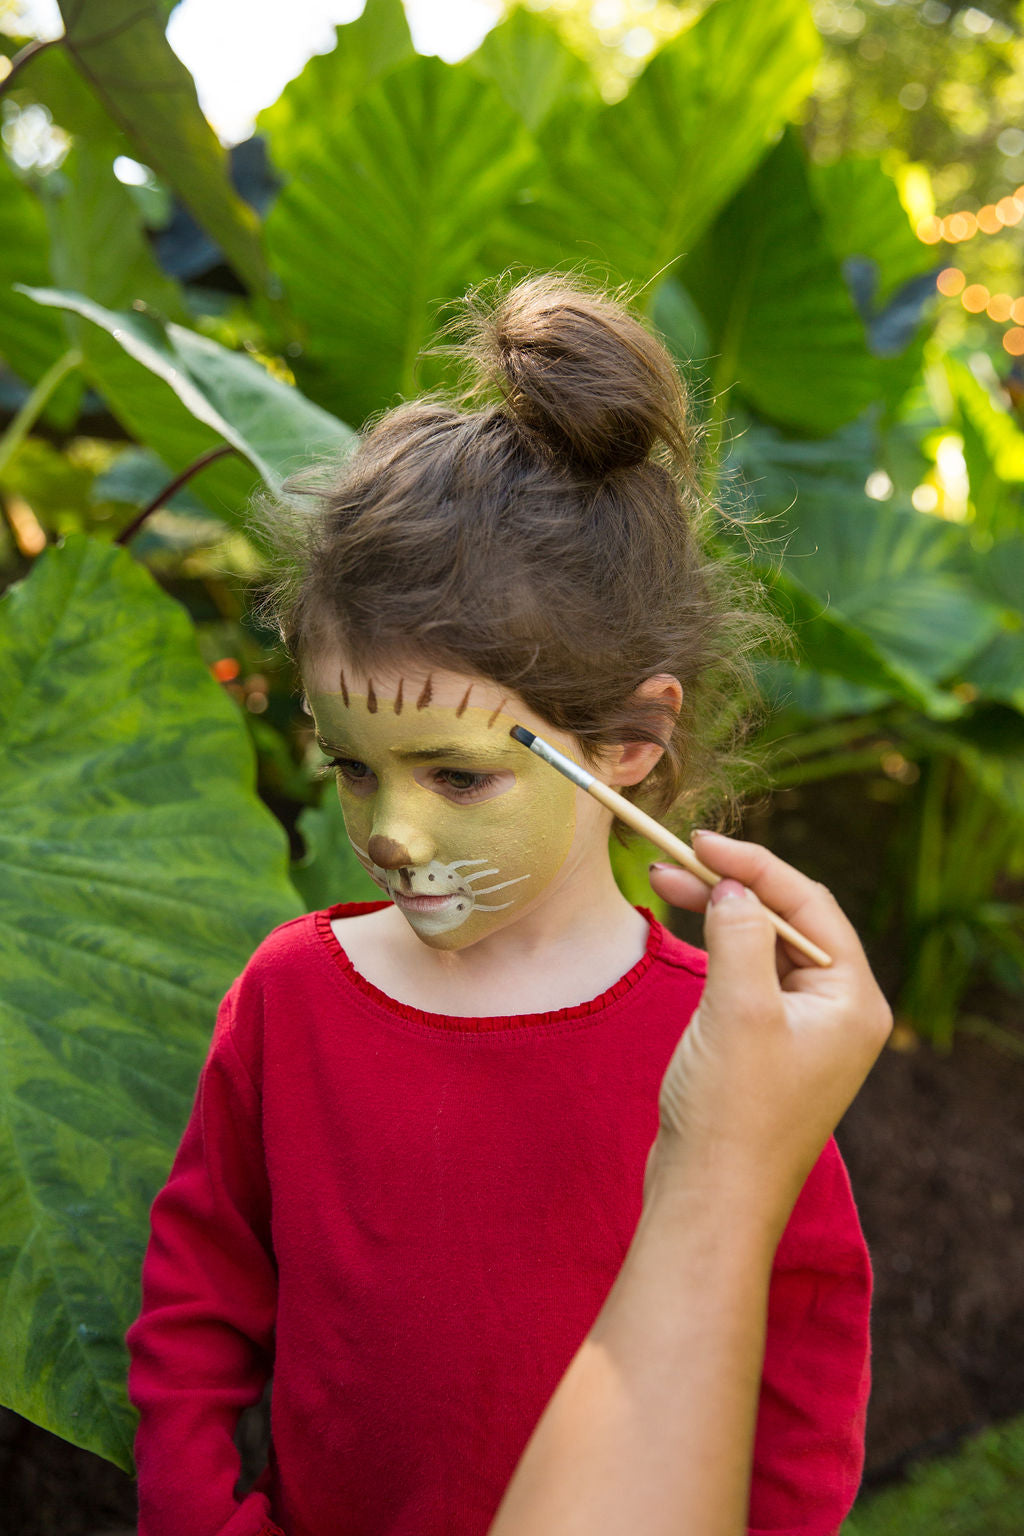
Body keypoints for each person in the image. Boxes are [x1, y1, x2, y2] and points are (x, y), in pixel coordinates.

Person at [127, 275, 878, 1536]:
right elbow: (195, 1307)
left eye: (458, 776)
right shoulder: (290, 997)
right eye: (351, 767)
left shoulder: (737, 1050)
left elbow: (801, 1377)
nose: (389, 832)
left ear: (632, 740)